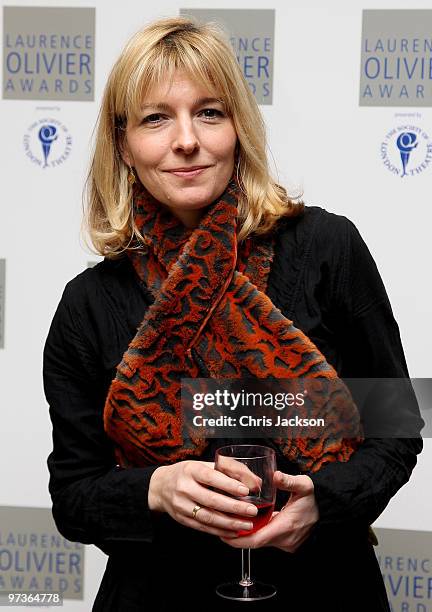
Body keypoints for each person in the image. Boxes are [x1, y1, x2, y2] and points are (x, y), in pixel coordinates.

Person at [44, 16, 423, 612]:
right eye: (155, 117)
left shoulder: (328, 248)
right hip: (159, 595)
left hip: (325, 588)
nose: (186, 139)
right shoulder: (89, 304)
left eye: (210, 112)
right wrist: (157, 487)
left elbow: (395, 429)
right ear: (123, 143)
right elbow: (73, 494)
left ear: (239, 128)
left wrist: (325, 500)